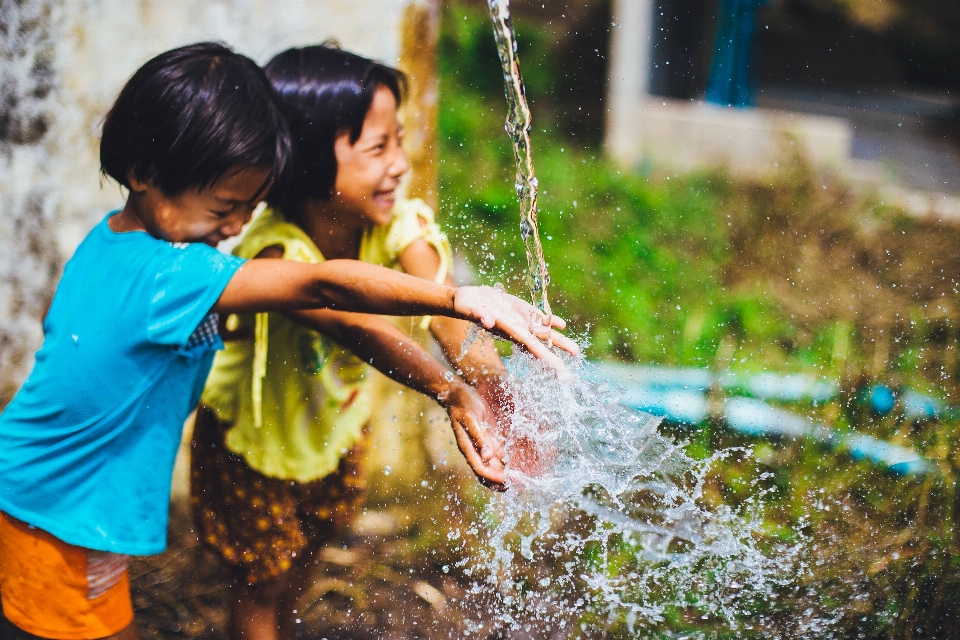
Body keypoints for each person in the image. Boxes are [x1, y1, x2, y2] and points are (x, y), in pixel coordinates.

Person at [0, 42, 577, 640]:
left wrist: (475, 378)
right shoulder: (172, 273)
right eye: (225, 207)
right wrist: (457, 298)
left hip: (50, 489)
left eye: (248, 208)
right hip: (60, 505)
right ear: (145, 173)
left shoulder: (114, 243)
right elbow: (324, 285)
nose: (235, 229)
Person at [191, 44, 552, 640]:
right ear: (307, 161)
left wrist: (491, 383)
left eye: (400, 141)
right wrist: (448, 389)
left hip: (336, 426)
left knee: (311, 546)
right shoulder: (278, 251)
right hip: (253, 440)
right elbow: (360, 327)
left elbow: (446, 310)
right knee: (259, 579)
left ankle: (282, 625)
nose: (400, 164)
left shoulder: (396, 224)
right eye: (377, 147)